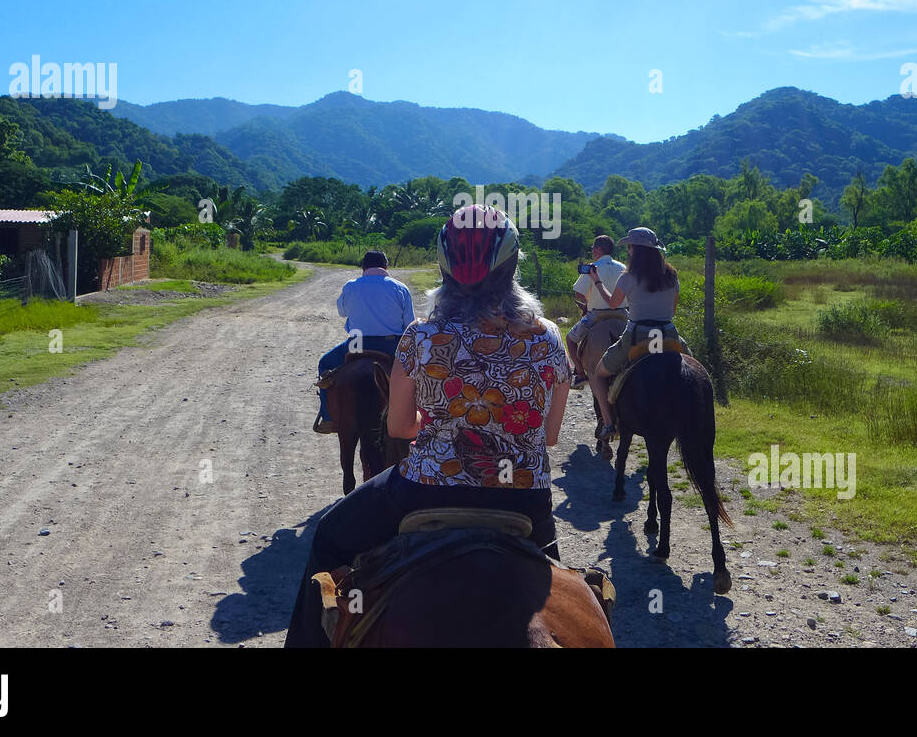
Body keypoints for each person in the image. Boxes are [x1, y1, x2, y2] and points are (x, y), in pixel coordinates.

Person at [284, 204, 572, 647]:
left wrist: (440, 423)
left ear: (445, 266)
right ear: (512, 265)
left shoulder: (420, 335)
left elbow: (400, 427)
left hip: (428, 487)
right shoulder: (548, 336)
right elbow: (549, 436)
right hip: (525, 496)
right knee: (568, 592)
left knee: (329, 536)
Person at [585, 227, 682, 442]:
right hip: (668, 333)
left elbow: (612, 303)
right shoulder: (672, 276)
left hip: (637, 335)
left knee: (598, 374)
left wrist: (597, 282)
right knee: (693, 367)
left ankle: (609, 423)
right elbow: (673, 309)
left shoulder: (628, 278)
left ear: (635, 250)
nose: (628, 250)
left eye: (629, 247)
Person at [314, 250, 415, 434]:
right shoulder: (400, 287)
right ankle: (419, 416)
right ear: (386, 266)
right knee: (416, 374)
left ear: (363, 267)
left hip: (357, 344)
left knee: (325, 363)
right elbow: (409, 324)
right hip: (390, 345)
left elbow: (342, 312)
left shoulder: (351, 286)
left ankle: (328, 418)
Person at [565, 234, 627, 387]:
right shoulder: (623, 267)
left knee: (570, 339)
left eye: (593, 248)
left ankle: (580, 373)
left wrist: (589, 298)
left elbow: (579, 293)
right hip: (624, 314)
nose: (592, 251)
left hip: (596, 315)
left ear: (599, 249)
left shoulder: (593, 268)